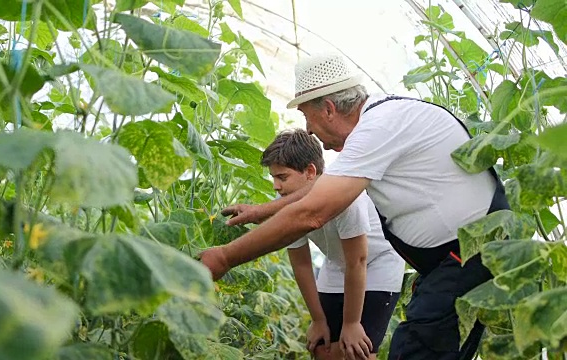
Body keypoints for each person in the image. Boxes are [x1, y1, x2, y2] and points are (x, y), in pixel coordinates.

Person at [200, 53, 509, 360]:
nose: (308, 130)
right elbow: (316, 192)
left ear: (330, 109)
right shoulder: (380, 122)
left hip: (470, 253)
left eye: (308, 116)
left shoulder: (377, 128)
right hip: (458, 257)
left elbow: (312, 212)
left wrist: (225, 257)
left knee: (416, 348)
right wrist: (261, 211)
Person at [260, 129, 404, 360]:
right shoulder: (285, 204)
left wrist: (352, 323)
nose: (276, 186)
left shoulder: (348, 199)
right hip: (337, 264)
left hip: (377, 264)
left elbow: (357, 261)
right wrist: (317, 320)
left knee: (356, 352)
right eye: (273, 177)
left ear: (310, 171)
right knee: (323, 349)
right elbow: (302, 265)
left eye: (282, 177)